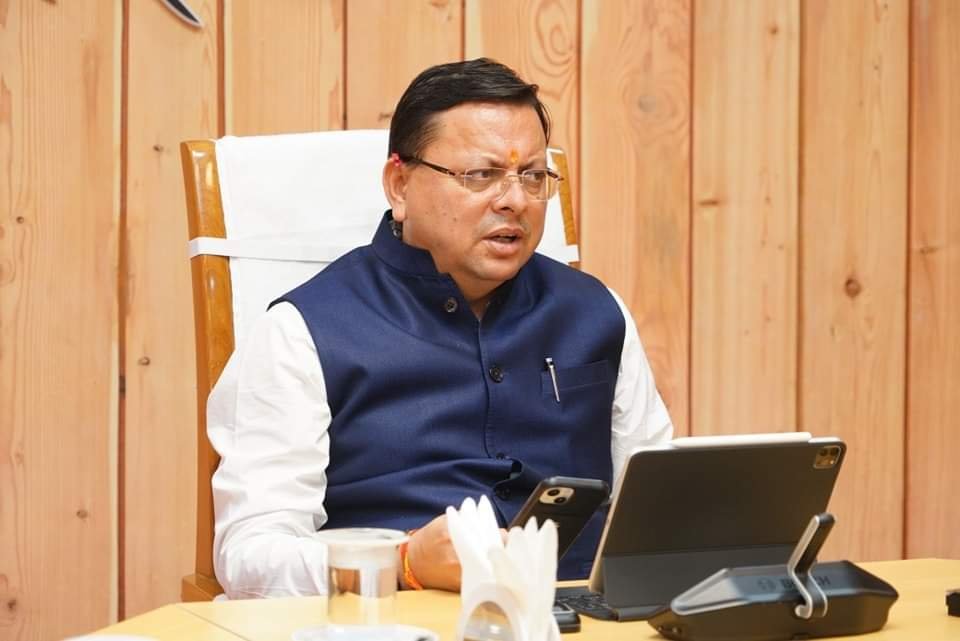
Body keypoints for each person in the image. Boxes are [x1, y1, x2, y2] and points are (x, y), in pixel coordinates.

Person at [208, 58, 673, 599]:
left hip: (584, 617)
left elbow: (658, 502)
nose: (514, 200)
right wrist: (401, 562)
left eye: (532, 176)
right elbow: (251, 557)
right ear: (399, 185)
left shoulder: (596, 311)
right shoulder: (301, 332)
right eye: (481, 175)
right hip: (395, 620)